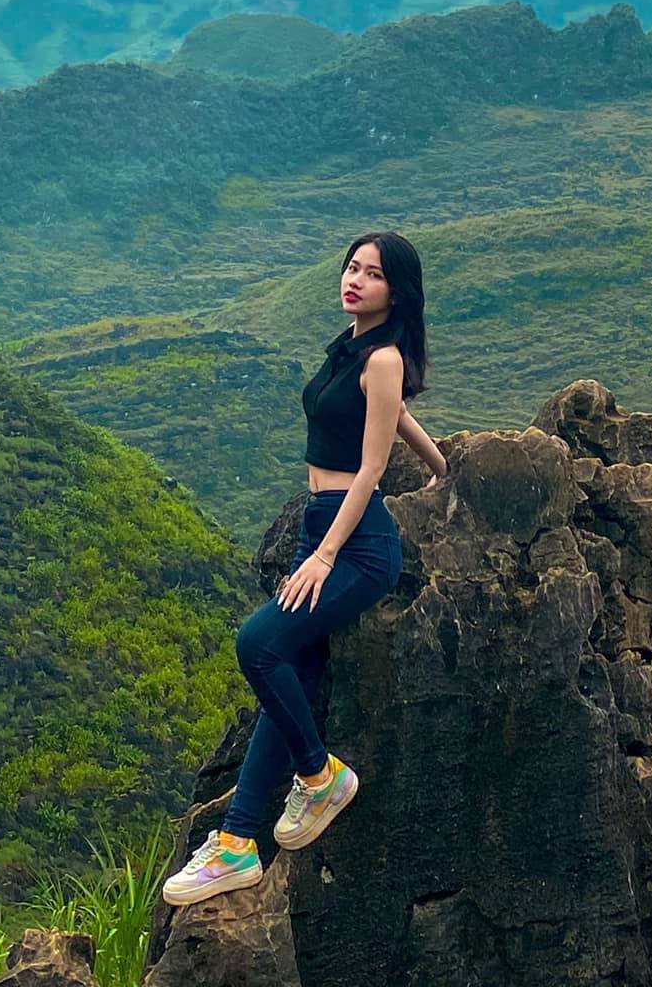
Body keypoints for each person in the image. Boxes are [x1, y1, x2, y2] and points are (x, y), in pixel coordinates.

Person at [163, 229, 446, 906]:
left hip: (359, 546)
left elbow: (373, 466)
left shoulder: (383, 357)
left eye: (372, 274)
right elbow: (396, 419)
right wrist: (443, 469)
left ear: (395, 291)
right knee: (288, 673)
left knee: (257, 643)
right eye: (352, 267)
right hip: (322, 525)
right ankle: (235, 846)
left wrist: (322, 555)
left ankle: (321, 780)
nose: (355, 279)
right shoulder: (351, 349)